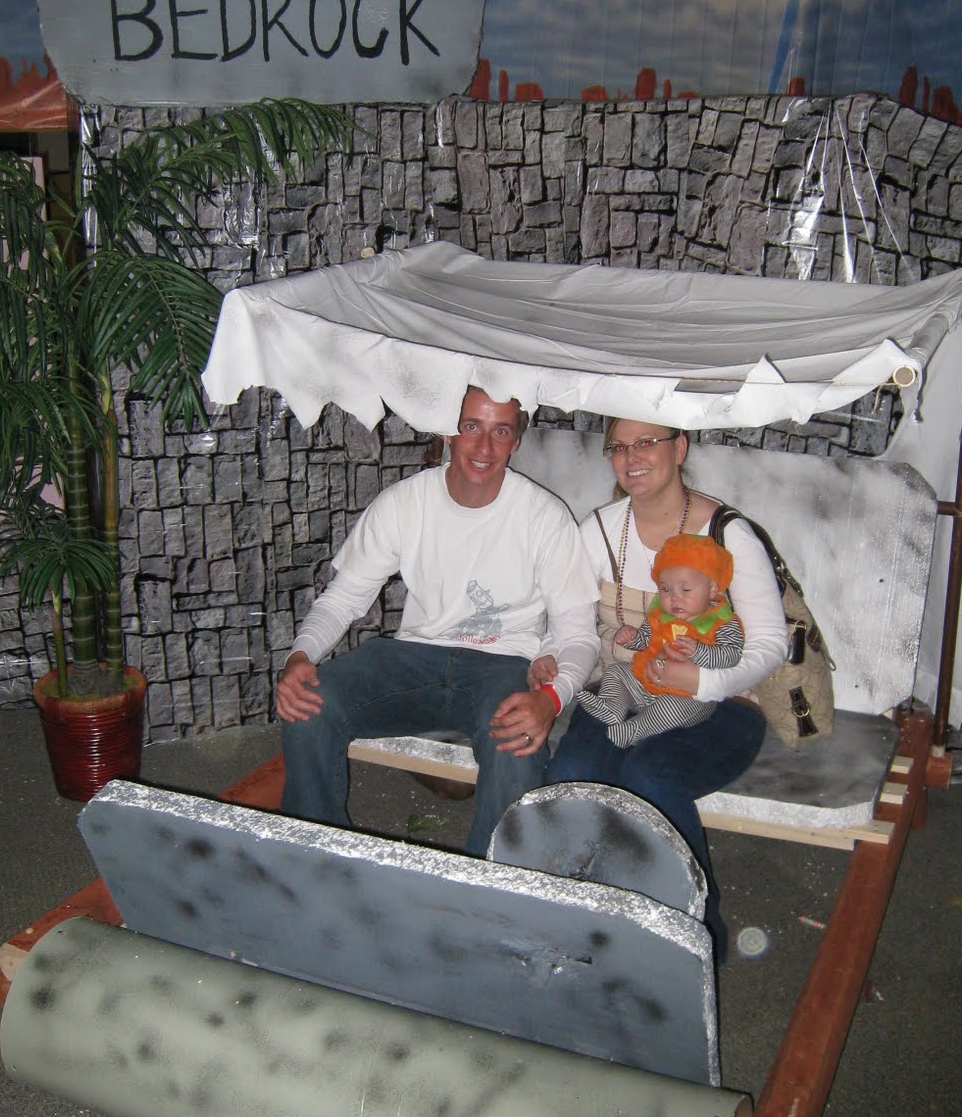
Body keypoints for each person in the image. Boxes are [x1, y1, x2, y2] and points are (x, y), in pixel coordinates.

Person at [276, 387, 601, 857]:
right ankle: (315, 862)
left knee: (517, 743)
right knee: (310, 703)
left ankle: (489, 885)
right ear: (449, 431)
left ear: (516, 442)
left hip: (501, 663)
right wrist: (300, 655)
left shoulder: (544, 516)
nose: (484, 446)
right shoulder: (405, 502)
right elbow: (344, 597)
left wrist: (551, 699)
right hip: (411, 657)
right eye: (471, 427)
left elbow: (578, 631)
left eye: (500, 431)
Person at [541, 418, 787, 956]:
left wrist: (703, 678)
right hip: (628, 688)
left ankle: (695, 933)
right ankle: (583, 922)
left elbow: (771, 645)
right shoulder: (598, 531)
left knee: (650, 774)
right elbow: (569, 623)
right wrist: (549, 663)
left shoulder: (727, 534)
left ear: (680, 448)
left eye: (647, 443)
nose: (632, 458)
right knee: (570, 775)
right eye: (619, 447)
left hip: (723, 704)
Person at [575, 531, 744, 747]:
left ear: (712, 589)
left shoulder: (722, 621)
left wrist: (699, 651)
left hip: (688, 695)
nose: (674, 597)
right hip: (645, 681)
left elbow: (732, 656)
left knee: (674, 707)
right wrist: (632, 638)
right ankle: (612, 706)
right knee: (616, 671)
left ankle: (635, 730)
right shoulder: (660, 615)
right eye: (665, 589)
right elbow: (646, 639)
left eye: (685, 589)